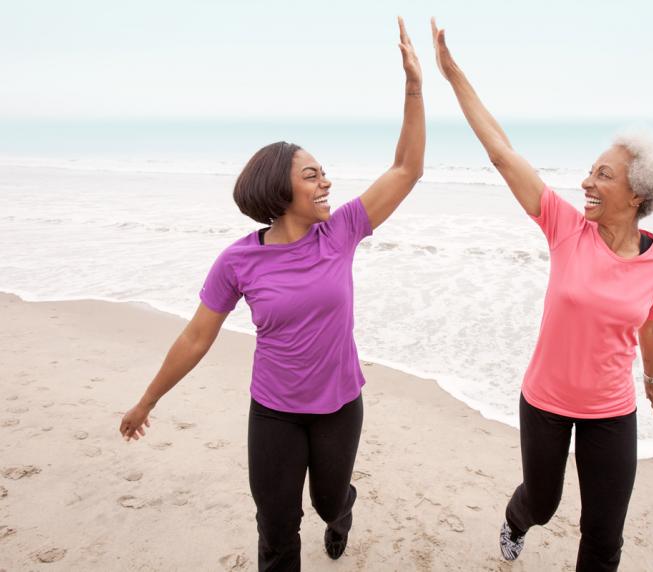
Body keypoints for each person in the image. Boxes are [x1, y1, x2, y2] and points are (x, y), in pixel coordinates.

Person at [119, 18, 424, 572]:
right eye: (312, 176)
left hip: (338, 406)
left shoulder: (343, 231)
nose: (326, 182)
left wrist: (413, 88)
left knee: (329, 501)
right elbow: (195, 336)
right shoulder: (238, 260)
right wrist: (147, 400)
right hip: (275, 413)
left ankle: (342, 512)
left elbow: (407, 168)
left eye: (324, 172)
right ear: (281, 192)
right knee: (277, 531)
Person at [431, 19, 653, 571]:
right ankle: (516, 520)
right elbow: (502, 153)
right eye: (589, 172)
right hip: (545, 401)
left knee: (603, 536)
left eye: (603, 176)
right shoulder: (566, 228)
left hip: (612, 411)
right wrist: (453, 75)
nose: (586, 183)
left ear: (637, 194)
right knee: (542, 504)